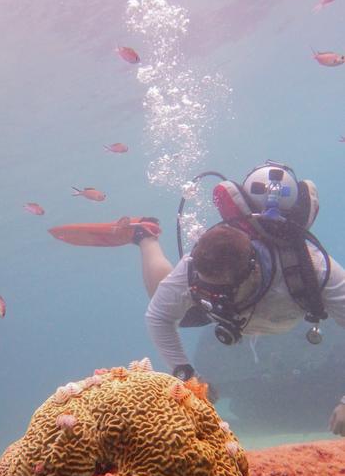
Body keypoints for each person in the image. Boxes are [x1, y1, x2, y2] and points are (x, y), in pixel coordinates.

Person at [132, 163, 345, 437]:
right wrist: (184, 372)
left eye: (222, 291)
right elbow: (159, 316)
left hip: (283, 307)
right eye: (204, 289)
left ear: (253, 271)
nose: (214, 298)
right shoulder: (192, 267)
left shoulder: (313, 270)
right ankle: (146, 237)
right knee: (165, 293)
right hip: (246, 313)